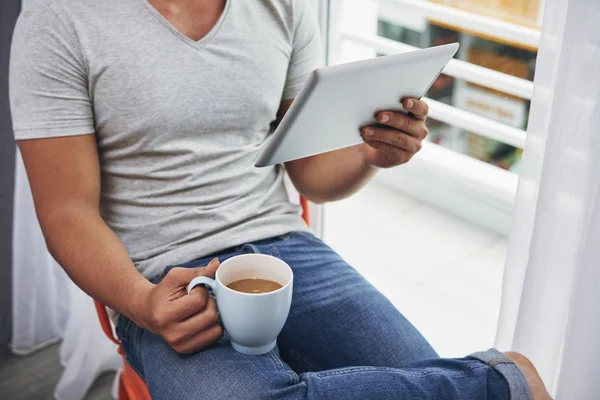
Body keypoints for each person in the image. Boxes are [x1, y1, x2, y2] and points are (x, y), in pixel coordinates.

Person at [10, 0, 551, 399]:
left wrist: (372, 156)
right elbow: (66, 209)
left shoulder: (283, 6)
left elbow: (312, 172)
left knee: (420, 367)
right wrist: (140, 303)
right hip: (162, 278)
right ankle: (499, 383)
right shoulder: (59, 18)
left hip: (286, 249)